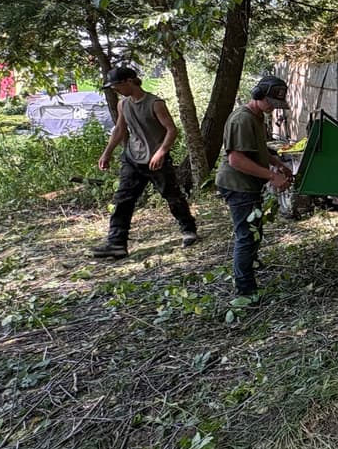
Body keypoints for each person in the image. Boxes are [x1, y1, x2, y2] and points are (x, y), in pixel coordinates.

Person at [90, 66, 198, 259]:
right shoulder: (123, 104)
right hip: (132, 159)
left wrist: (161, 152)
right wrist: (106, 153)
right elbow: (120, 130)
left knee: (172, 196)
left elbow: (171, 130)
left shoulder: (155, 103)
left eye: (117, 86)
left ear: (129, 81)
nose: (115, 90)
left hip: (157, 161)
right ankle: (116, 244)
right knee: (123, 200)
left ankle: (189, 230)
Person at [216, 75, 293, 307]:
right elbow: (236, 159)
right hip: (237, 185)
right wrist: (272, 176)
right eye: (269, 101)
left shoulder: (258, 117)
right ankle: (245, 291)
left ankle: (251, 263)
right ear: (257, 95)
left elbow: (257, 149)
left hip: (248, 184)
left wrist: (277, 163)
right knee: (246, 237)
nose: (272, 107)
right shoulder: (242, 120)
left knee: (254, 228)